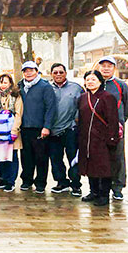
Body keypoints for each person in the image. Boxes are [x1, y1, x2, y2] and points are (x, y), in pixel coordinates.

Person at [79, 70, 120, 206]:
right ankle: (94, 191)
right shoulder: (83, 97)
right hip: (87, 138)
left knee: (103, 167)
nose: (90, 82)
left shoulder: (107, 97)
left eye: (93, 79)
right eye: (88, 79)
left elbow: (113, 120)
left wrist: (112, 138)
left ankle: (104, 194)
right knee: (90, 165)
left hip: (102, 139)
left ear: (100, 82)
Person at [18, 61, 57, 194]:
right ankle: (26, 180)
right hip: (24, 128)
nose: (28, 73)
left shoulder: (45, 86)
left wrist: (47, 126)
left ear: (36, 71)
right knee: (26, 156)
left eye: (31, 70)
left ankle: (40, 183)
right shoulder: (20, 86)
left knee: (41, 157)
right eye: (25, 70)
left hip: (39, 128)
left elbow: (51, 108)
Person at [98, 56, 128, 201]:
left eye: (109, 66)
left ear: (114, 68)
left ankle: (117, 187)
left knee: (117, 157)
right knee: (99, 157)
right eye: (103, 66)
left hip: (116, 127)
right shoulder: (94, 83)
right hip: (98, 127)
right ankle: (99, 187)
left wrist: (120, 121)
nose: (106, 68)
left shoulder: (121, 85)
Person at [48, 63, 84, 197]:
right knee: (56, 159)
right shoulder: (47, 88)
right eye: (55, 72)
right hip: (52, 131)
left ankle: (76, 184)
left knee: (73, 158)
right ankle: (61, 182)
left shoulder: (76, 88)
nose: (58, 75)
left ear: (65, 73)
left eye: (61, 72)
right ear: (51, 74)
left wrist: (76, 121)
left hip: (70, 130)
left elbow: (82, 106)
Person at [0, 73, 23, 192]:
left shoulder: (16, 96)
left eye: (5, 82)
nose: (3, 85)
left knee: (12, 157)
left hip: (12, 130)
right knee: (2, 156)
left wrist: (14, 130)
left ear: (10, 83)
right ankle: (3, 178)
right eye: (1, 82)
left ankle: (11, 181)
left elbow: (18, 114)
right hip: (1, 130)